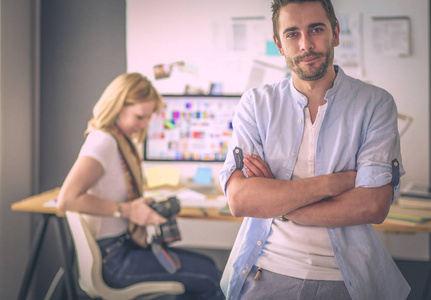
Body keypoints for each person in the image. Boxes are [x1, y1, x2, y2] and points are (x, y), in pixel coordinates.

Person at [219, 0, 411, 299]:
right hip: (263, 273)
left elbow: (373, 206)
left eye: (316, 29)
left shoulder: (375, 104)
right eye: (292, 34)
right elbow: (241, 200)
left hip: (346, 281)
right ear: (279, 44)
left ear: (335, 33)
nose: (306, 44)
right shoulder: (256, 105)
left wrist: (277, 201)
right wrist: (337, 182)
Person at [57, 72, 224, 300]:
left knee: (208, 266)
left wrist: (136, 205)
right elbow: (67, 198)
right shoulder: (103, 141)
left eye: (147, 118)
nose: (144, 125)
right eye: (139, 117)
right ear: (118, 107)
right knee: (209, 276)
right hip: (115, 260)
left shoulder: (118, 141)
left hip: (121, 249)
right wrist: (127, 210)